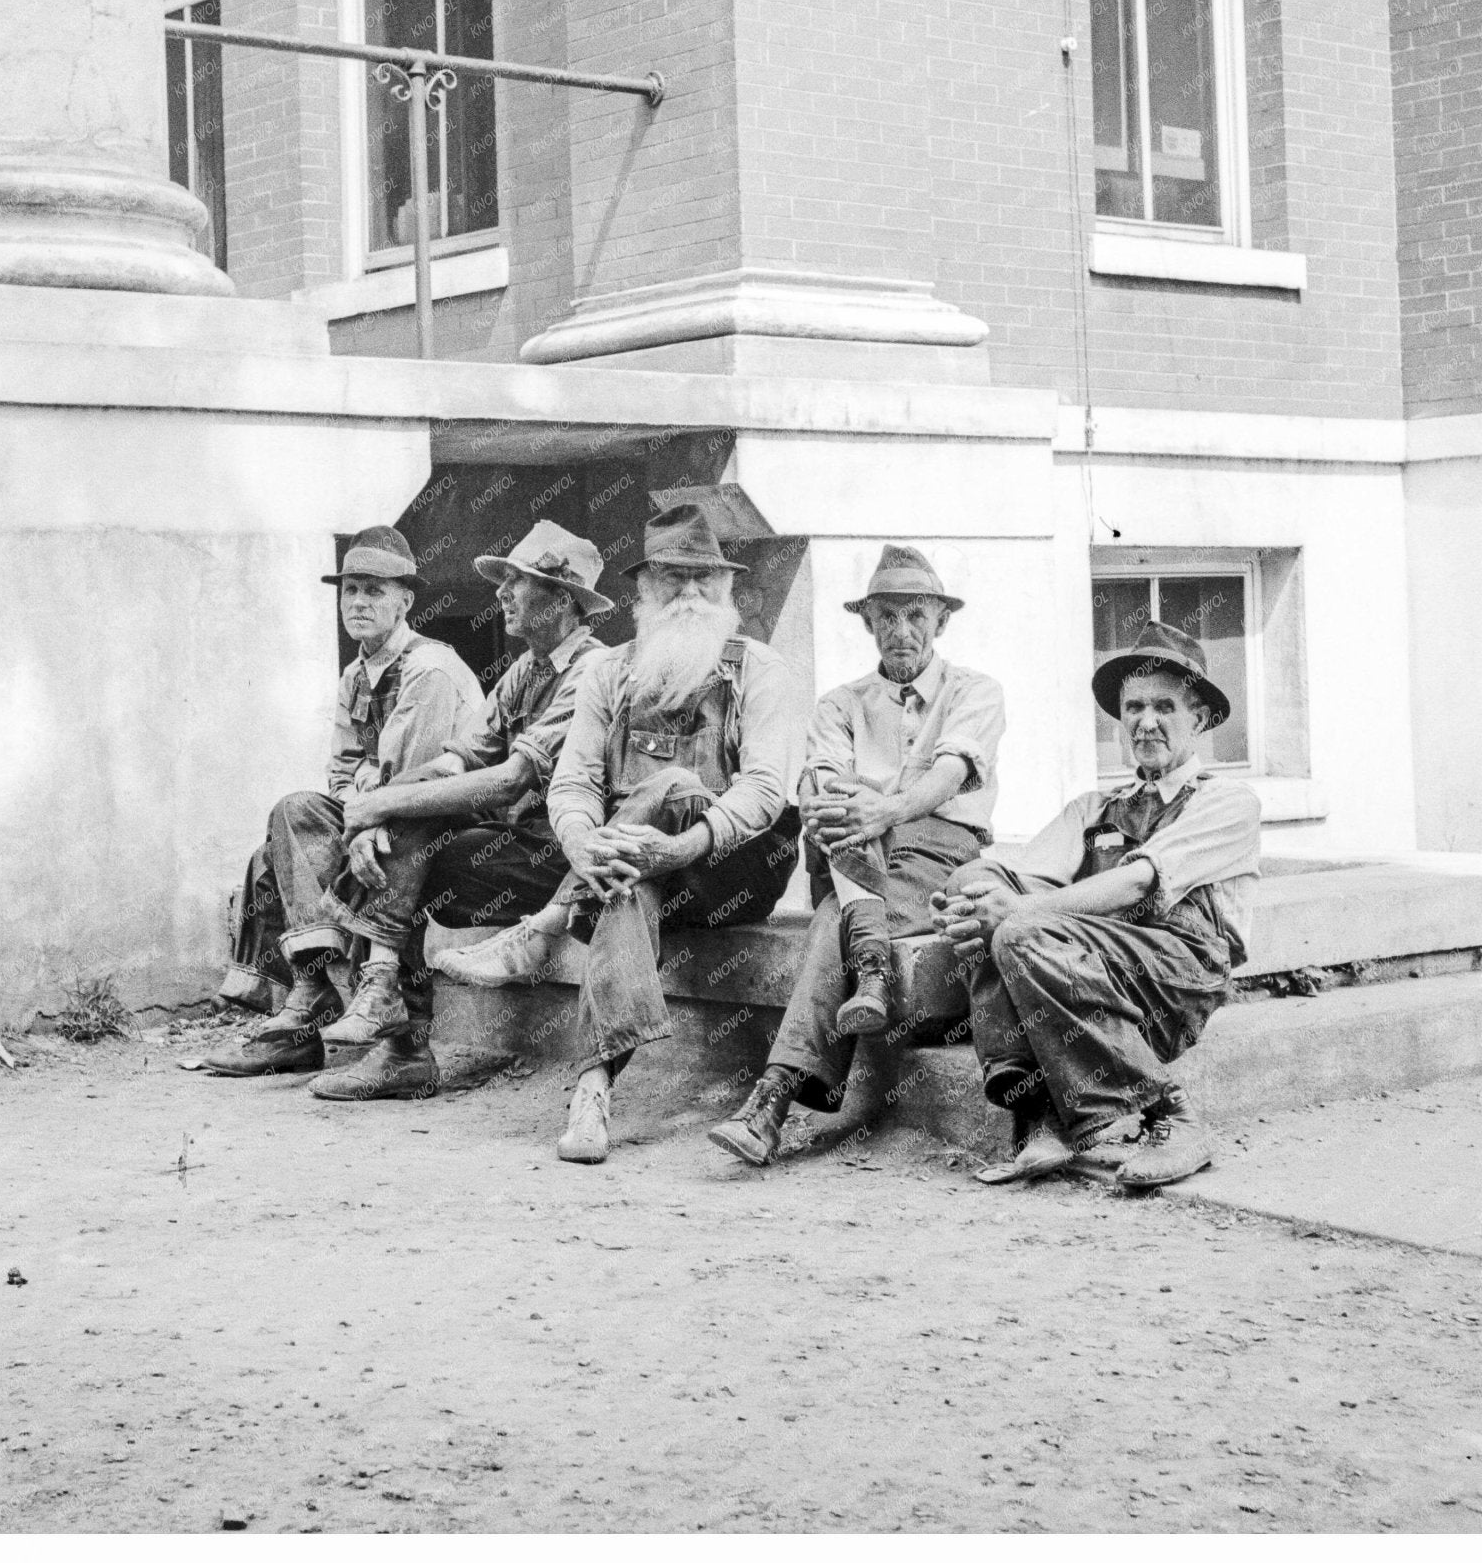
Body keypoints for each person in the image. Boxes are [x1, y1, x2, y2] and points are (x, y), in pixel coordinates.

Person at [440, 504, 802, 1165]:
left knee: (669, 787)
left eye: (703, 580)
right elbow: (573, 782)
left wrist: (686, 844)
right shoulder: (611, 673)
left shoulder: (758, 669)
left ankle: (549, 919)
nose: (689, 595)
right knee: (624, 880)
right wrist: (582, 844)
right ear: (644, 590)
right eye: (671, 579)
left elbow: (765, 789)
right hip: (639, 863)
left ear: (726, 589)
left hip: (734, 864)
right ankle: (593, 1090)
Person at [294, 521, 613, 1102]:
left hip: (566, 864)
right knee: (401, 826)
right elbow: (457, 761)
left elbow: (507, 779)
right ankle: (389, 1023)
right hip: (511, 852)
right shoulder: (525, 670)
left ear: (562, 600)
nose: (500, 595)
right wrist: (371, 815)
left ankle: (398, 1030)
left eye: (515, 582)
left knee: (413, 829)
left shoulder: (595, 670)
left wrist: (379, 806)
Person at [708, 544, 1006, 1167]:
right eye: (887, 616)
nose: (901, 631)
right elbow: (822, 782)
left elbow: (948, 777)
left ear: (941, 621)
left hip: (939, 851)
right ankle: (867, 962)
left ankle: (772, 1099)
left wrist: (882, 807)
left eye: (916, 615)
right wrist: (833, 803)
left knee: (830, 915)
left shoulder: (975, 691)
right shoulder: (840, 703)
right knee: (841, 810)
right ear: (868, 622)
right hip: (852, 853)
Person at [937, 620, 1260, 1191]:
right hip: (1090, 963)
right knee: (985, 893)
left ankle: (1170, 1116)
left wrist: (1013, 911)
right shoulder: (1096, 807)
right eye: (1133, 707)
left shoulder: (1226, 801)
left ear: (1201, 719)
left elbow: (1137, 885)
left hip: (1176, 974)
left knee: (1014, 928)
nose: (1145, 721)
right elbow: (1023, 880)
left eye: (1165, 706)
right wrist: (978, 891)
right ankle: (1039, 1116)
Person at [200, 527, 483, 1083]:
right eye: (350, 589)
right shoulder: (356, 673)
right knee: (287, 823)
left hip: (443, 821)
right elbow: (343, 768)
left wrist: (360, 823)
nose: (358, 602)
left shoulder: (430, 669)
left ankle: (331, 1014)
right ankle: (308, 1008)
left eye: (374, 591)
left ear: (406, 599)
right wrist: (355, 816)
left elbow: (412, 781)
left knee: (371, 854)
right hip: (377, 816)